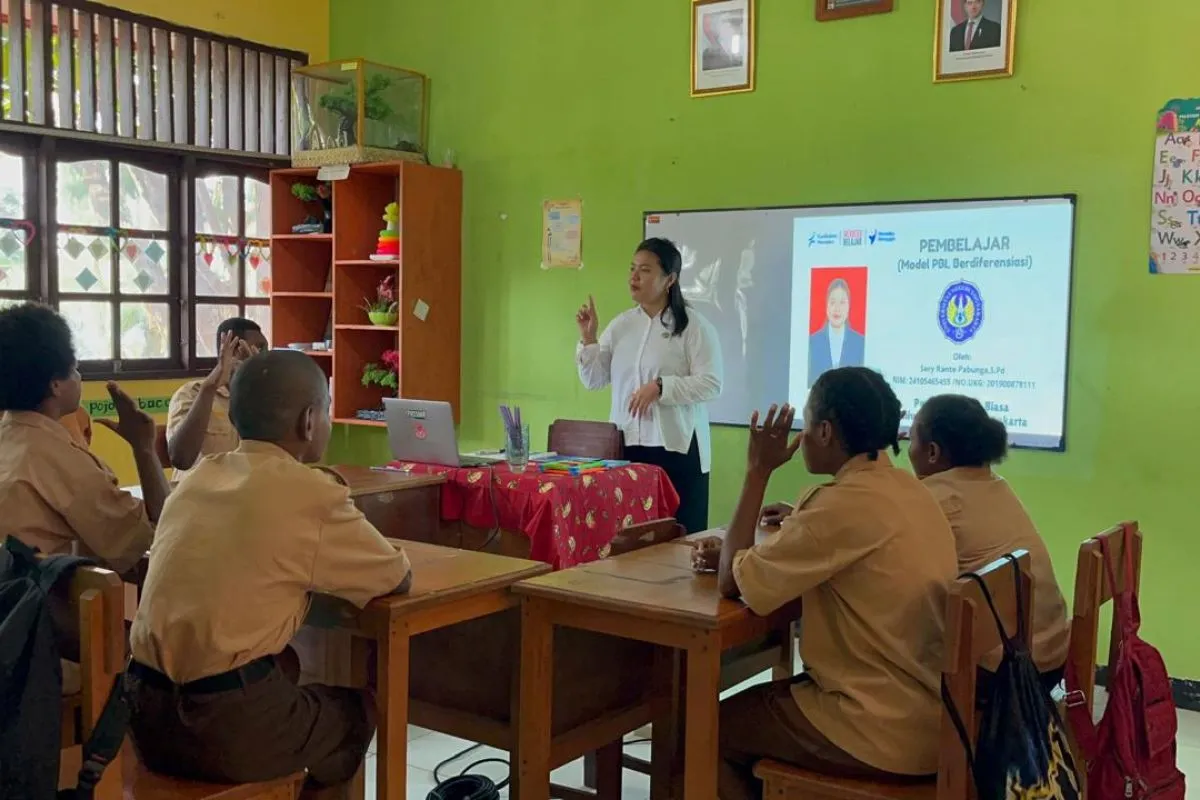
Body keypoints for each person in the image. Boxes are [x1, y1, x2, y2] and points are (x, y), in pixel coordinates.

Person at [126, 349, 413, 800]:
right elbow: (396, 577)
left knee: (286, 668)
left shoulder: (196, 478)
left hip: (143, 715)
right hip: (220, 727)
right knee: (356, 713)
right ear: (309, 422)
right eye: (326, 410)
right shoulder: (309, 491)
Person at [692, 367, 957, 800]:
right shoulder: (912, 491)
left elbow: (729, 582)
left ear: (826, 431)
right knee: (757, 710)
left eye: (808, 423)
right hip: (931, 715)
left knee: (704, 730)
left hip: (877, 727)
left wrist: (758, 470)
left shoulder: (838, 504)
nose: (802, 435)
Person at [908, 394, 1069, 690]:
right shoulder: (996, 485)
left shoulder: (930, 498)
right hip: (1051, 658)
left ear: (932, 452)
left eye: (911, 438)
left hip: (1003, 675)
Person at [0, 302, 168, 574]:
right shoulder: (56, 456)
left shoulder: (10, 437)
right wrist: (143, 448)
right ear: (55, 384)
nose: (80, 377)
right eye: (75, 369)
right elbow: (151, 536)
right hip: (35, 599)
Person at [575, 237, 723, 533]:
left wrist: (661, 387)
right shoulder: (621, 326)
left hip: (676, 447)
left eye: (645, 270)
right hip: (627, 446)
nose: (634, 277)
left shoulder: (693, 326)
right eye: (632, 269)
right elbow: (593, 380)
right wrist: (589, 339)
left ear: (670, 279)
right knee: (630, 540)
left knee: (679, 540)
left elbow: (711, 384)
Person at [166, 317, 267, 481]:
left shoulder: (263, 396)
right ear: (233, 350)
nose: (265, 357)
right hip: (198, 492)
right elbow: (181, 459)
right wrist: (209, 388)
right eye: (260, 349)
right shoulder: (192, 394)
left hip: (245, 490)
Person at [807, 279, 865, 385]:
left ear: (849, 307)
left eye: (842, 302)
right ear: (826, 306)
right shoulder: (812, 342)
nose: (837, 308)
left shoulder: (860, 343)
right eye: (832, 302)